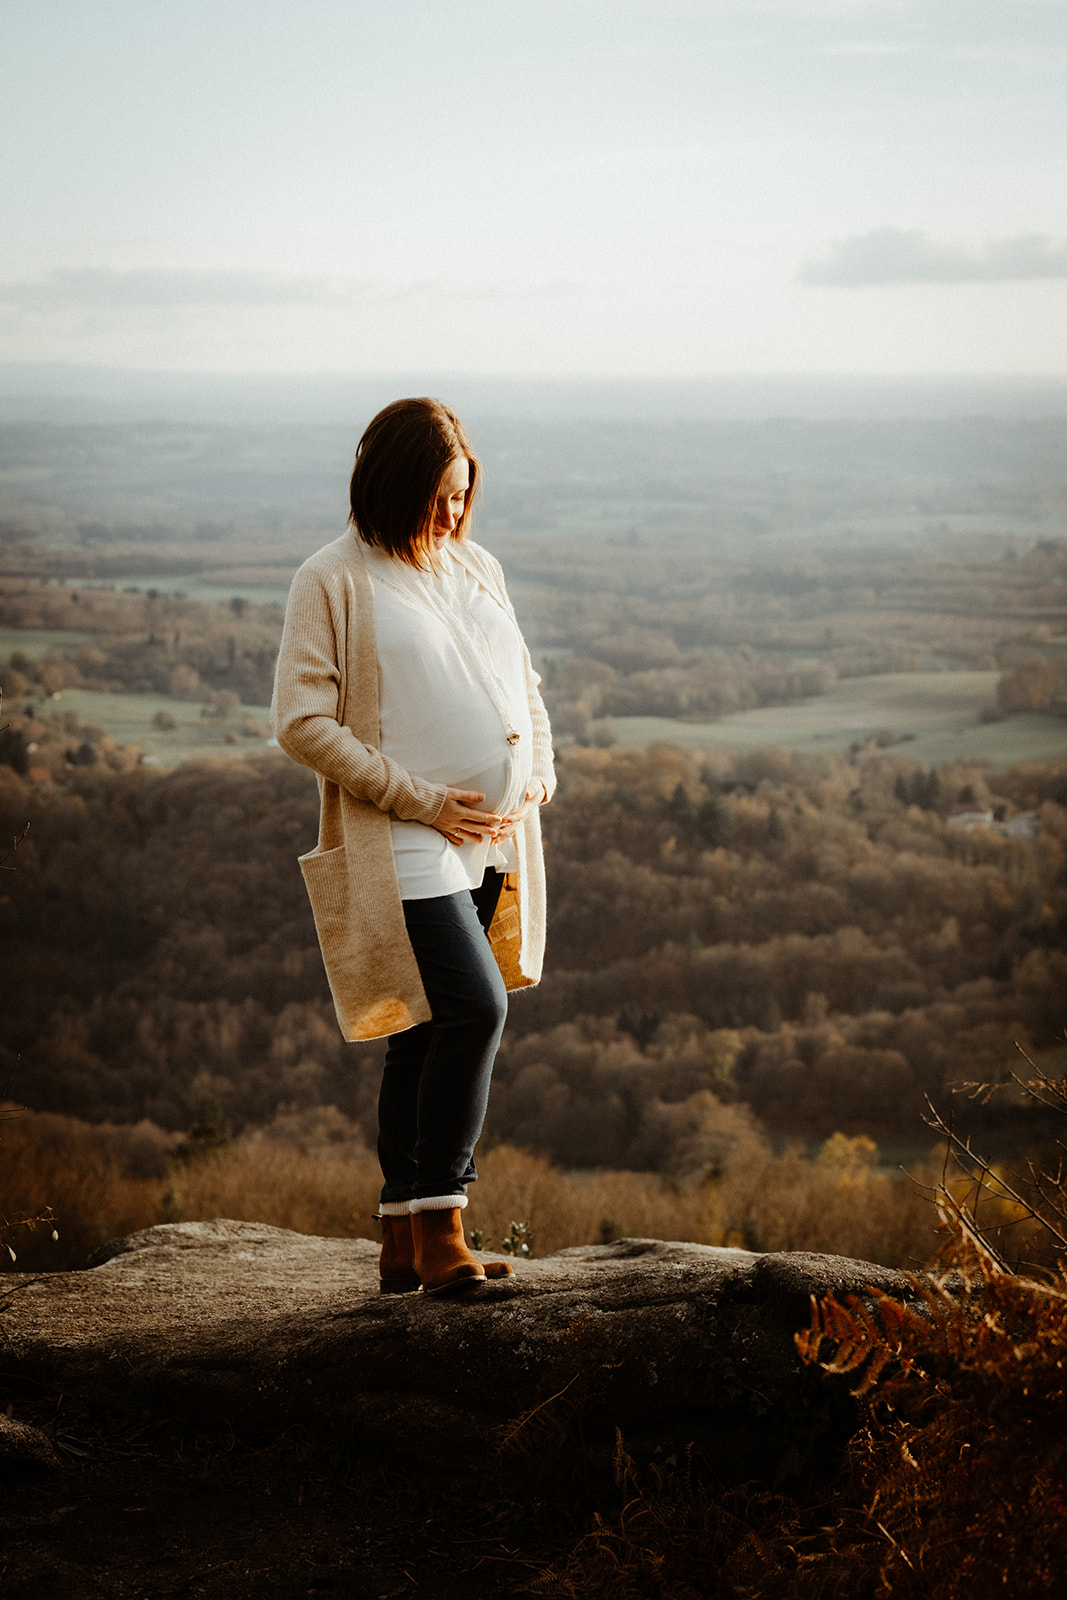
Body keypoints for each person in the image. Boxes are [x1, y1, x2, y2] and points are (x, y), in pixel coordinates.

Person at [271, 397, 555, 1297]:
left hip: (489, 839)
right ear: (389, 486)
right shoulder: (332, 578)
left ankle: (400, 1237)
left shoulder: (476, 565)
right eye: (436, 496)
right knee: (474, 1010)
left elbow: (523, 683)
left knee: (426, 1027)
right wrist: (422, 800)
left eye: (462, 495)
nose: (451, 513)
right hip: (401, 832)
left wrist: (538, 770)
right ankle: (443, 1224)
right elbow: (301, 722)